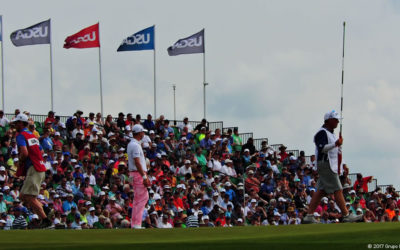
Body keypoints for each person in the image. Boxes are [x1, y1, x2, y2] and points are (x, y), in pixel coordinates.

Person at [303, 111, 362, 224]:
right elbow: (322, 148)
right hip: (325, 164)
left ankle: (309, 216)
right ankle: (346, 215)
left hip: (330, 164)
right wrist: (336, 143)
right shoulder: (322, 133)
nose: (337, 121)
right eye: (335, 119)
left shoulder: (332, 134)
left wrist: (343, 163)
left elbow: (336, 152)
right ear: (328, 120)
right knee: (338, 189)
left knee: (320, 191)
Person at [13, 114, 52, 228]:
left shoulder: (20, 135)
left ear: (21, 123)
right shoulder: (33, 136)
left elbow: (24, 153)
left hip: (34, 168)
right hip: (40, 168)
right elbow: (40, 150)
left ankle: (45, 217)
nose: (15, 125)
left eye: (17, 123)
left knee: (29, 196)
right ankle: (45, 212)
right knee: (23, 196)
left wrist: (20, 163)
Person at [127, 124, 150, 229]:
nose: (143, 133)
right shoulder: (135, 145)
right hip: (138, 174)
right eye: (142, 132)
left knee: (137, 200)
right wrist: (144, 177)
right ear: (139, 133)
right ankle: (136, 224)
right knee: (142, 199)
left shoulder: (131, 144)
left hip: (133, 173)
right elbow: (137, 162)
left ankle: (135, 224)